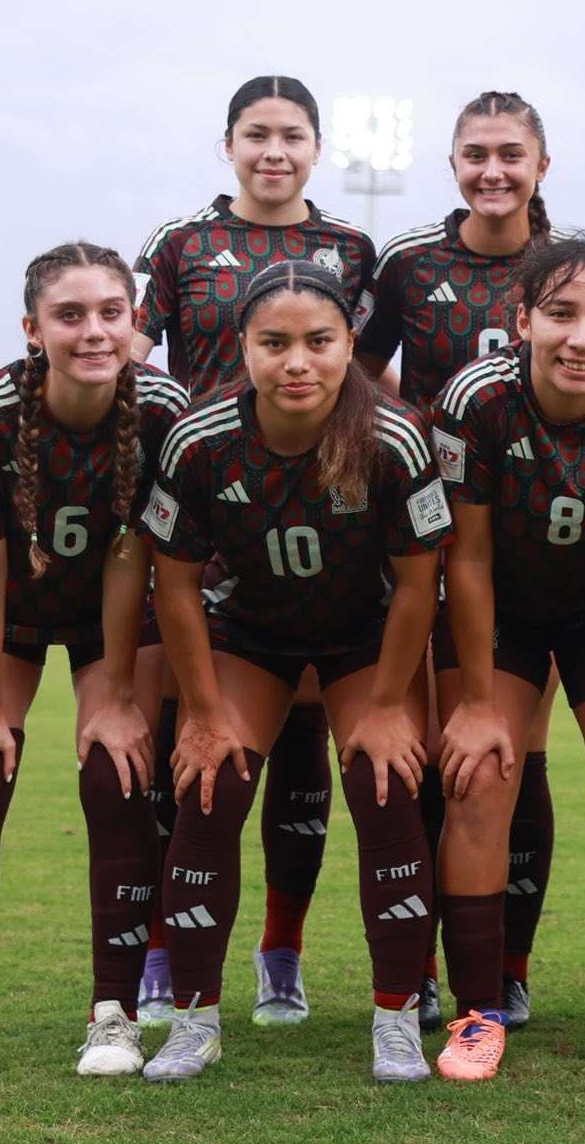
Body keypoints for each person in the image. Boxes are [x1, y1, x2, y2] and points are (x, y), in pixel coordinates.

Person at [137, 261, 450, 1083]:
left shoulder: (393, 437)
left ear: (351, 344)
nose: (296, 362)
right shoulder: (201, 440)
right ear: (243, 346)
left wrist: (386, 704)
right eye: (274, 343)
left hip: (363, 638)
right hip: (251, 634)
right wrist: (201, 712)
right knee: (211, 785)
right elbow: (173, 585)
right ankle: (195, 1020)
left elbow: (421, 583)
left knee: (385, 784)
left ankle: (396, 1019)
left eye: (318, 341)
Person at [0, 242, 188, 1081]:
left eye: (111, 312)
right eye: (70, 315)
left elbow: (132, 559)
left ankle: (116, 1015)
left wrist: (108, 696)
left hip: (112, 600)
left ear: (135, 321)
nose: (94, 331)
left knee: (117, 770)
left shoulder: (165, 408)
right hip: (10, 603)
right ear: (33, 329)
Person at [133, 75, 377, 1026]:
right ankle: (163, 948)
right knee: (184, 737)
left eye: (292, 136)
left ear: (318, 147)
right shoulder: (179, 244)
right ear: (227, 143)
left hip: (314, 511)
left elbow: (366, 367)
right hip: (202, 505)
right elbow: (126, 356)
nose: (274, 152)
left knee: (303, 732)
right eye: (257, 135)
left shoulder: (351, 251)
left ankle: (283, 950)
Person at [427, 240, 585, 1081]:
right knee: (478, 778)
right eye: (562, 315)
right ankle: (475, 1014)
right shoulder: (476, 400)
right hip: (500, 611)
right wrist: (473, 699)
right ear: (522, 322)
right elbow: (462, 559)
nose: (583, 338)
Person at [355, 90, 568, 1030]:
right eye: (476, 154)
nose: (494, 170)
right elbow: (354, 366)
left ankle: (506, 965)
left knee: (514, 754)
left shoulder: (565, 265)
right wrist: (410, 429)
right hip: (418, 532)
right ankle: (436, 965)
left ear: (540, 167)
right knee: (442, 756)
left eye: (511, 155)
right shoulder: (410, 263)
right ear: (452, 166)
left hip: (522, 541)